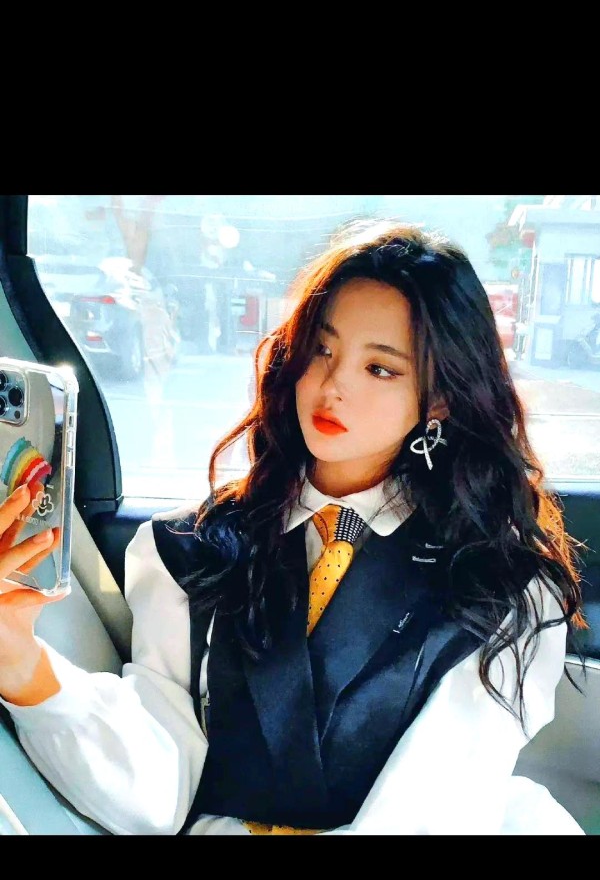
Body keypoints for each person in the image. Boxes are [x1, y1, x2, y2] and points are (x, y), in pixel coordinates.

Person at [0, 219, 590, 835]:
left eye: (380, 368)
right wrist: (19, 660)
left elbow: (427, 813)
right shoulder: (188, 549)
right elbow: (159, 790)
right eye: (322, 350)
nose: (333, 386)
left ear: (439, 398)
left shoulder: (504, 588)